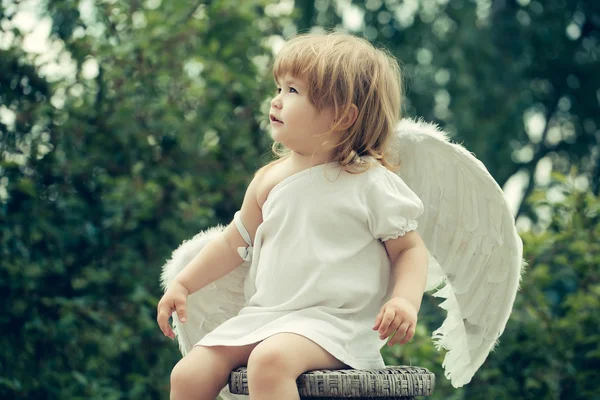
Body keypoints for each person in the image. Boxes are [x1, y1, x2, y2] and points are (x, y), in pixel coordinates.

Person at [156, 31, 429, 400]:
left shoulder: (369, 182)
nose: (277, 100)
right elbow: (233, 242)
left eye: (294, 92)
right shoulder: (268, 180)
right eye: (279, 88)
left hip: (334, 324)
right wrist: (184, 284)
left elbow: (409, 249)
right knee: (188, 374)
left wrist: (404, 301)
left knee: (269, 361)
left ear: (343, 117)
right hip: (265, 317)